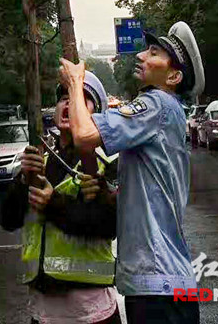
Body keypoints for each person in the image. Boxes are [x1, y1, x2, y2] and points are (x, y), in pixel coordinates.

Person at [59, 22, 205, 324]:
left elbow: (84, 135)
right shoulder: (166, 110)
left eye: (153, 53)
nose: (140, 56)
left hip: (159, 289)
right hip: (161, 287)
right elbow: (147, 191)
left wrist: (75, 83)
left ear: (173, 76)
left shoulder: (156, 104)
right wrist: (108, 194)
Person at [0, 71, 121, 324]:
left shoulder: (107, 163)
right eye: (62, 98)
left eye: (78, 99)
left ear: (94, 114)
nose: (67, 103)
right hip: (42, 312)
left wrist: (53, 204)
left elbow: (109, 225)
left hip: (91, 312)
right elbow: (8, 220)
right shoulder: (39, 159)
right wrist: (23, 181)